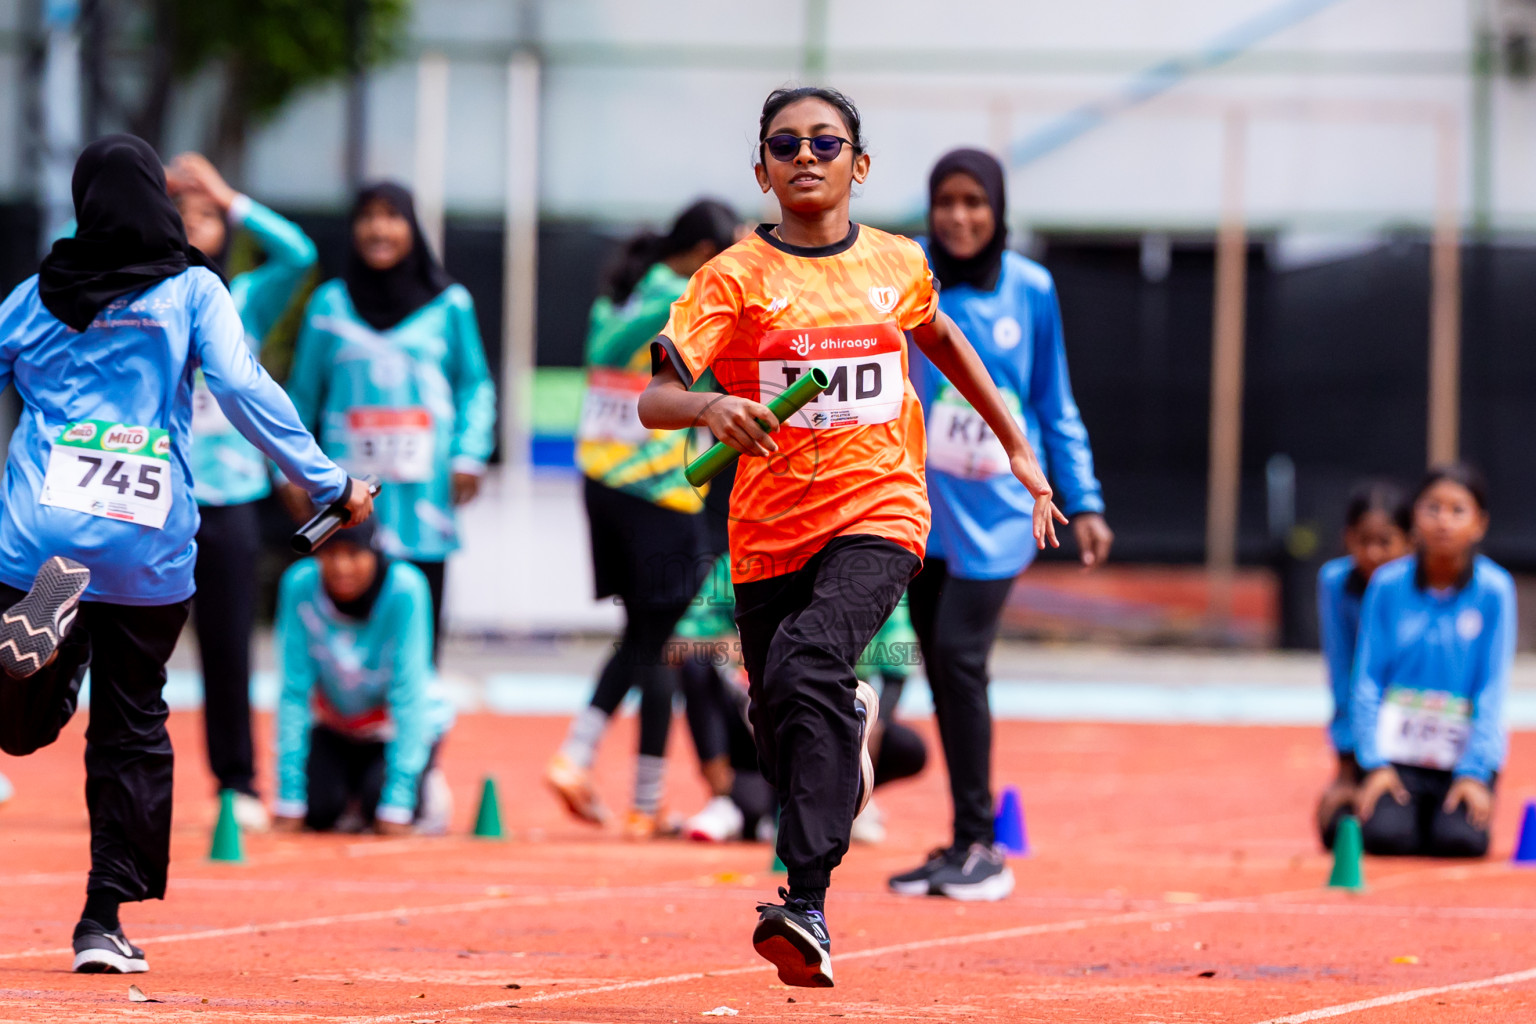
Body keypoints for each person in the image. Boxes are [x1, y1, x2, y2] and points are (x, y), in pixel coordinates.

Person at [639, 87, 1064, 988]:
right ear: (761, 168)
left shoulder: (898, 263)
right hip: (767, 533)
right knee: (779, 720)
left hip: (882, 513)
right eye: (785, 144)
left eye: (825, 142)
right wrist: (711, 404)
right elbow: (655, 397)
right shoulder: (732, 278)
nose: (806, 155)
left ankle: (806, 902)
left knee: (808, 662)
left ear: (858, 167)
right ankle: (846, 740)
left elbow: (941, 338)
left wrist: (1017, 445)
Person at [0, 135, 371, 974]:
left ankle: (38, 660)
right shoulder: (192, 288)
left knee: (20, 731)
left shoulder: (32, 296)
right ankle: (102, 919)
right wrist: (328, 481)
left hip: (39, 532)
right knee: (131, 726)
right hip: (143, 540)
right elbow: (241, 388)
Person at [888, 148, 1111, 902]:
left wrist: (1084, 500)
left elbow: (1055, 401)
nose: (959, 216)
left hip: (1003, 511)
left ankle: (982, 845)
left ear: (998, 209)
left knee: (958, 657)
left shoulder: (1032, 289)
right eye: (946, 201)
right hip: (921, 511)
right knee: (946, 676)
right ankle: (964, 842)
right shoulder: (905, 274)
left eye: (974, 202)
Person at [547, 200, 741, 839]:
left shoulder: (620, 294)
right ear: (704, 250)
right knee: (656, 635)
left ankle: (645, 801)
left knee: (654, 638)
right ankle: (576, 754)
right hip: (656, 494)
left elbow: (600, 355)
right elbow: (612, 353)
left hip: (603, 485)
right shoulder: (678, 297)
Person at [167, 151, 319, 833]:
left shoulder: (249, 297)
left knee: (228, 647)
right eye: (180, 213)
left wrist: (228, 195)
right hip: (147, 499)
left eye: (206, 216)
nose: (194, 224)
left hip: (225, 499)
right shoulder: (138, 298)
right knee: (111, 640)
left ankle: (236, 783)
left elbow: (301, 251)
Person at [287, 182, 496, 658]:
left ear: (412, 227)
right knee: (346, 648)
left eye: (392, 215)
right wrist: (289, 469)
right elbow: (300, 394)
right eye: (367, 216)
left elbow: (475, 384)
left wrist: (471, 453)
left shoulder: (450, 305)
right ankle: (346, 732)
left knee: (419, 645)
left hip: (426, 501)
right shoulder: (328, 306)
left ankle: (416, 733)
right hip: (349, 504)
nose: (379, 228)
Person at [1351, 464, 1512, 859]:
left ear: (1479, 524)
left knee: (1461, 842)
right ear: (1415, 519)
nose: (1444, 521)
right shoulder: (1387, 585)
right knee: (1385, 838)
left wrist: (1476, 772)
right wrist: (1373, 764)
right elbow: (1367, 679)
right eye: (1433, 508)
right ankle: (1404, 811)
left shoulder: (1494, 590)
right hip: (1395, 754)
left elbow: (1492, 687)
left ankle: (1442, 812)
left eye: (1458, 510)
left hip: (1461, 755)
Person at [271, 517, 452, 835]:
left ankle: (422, 781)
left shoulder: (406, 588)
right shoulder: (299, 585)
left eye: (354, 554)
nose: (342, 567)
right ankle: (349, 788)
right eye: (330, 554)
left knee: (383, 808)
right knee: (318, 812)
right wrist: (289, 797)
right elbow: (293, 691)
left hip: (395, 728)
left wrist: (399, 801)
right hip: (338, 725)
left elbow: (409, 694)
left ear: (375, 552)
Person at [1314, 481, 1412, 848]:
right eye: (1362, 541)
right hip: (1365, 728)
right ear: (1346, 538)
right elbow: (1342, 677)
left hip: (1414, 728)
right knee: (1338, 831)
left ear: (1409, 542)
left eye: (1385, 542)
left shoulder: (1418, 587)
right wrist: (1345, 770)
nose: (1373, 553)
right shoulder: (1336, 583)